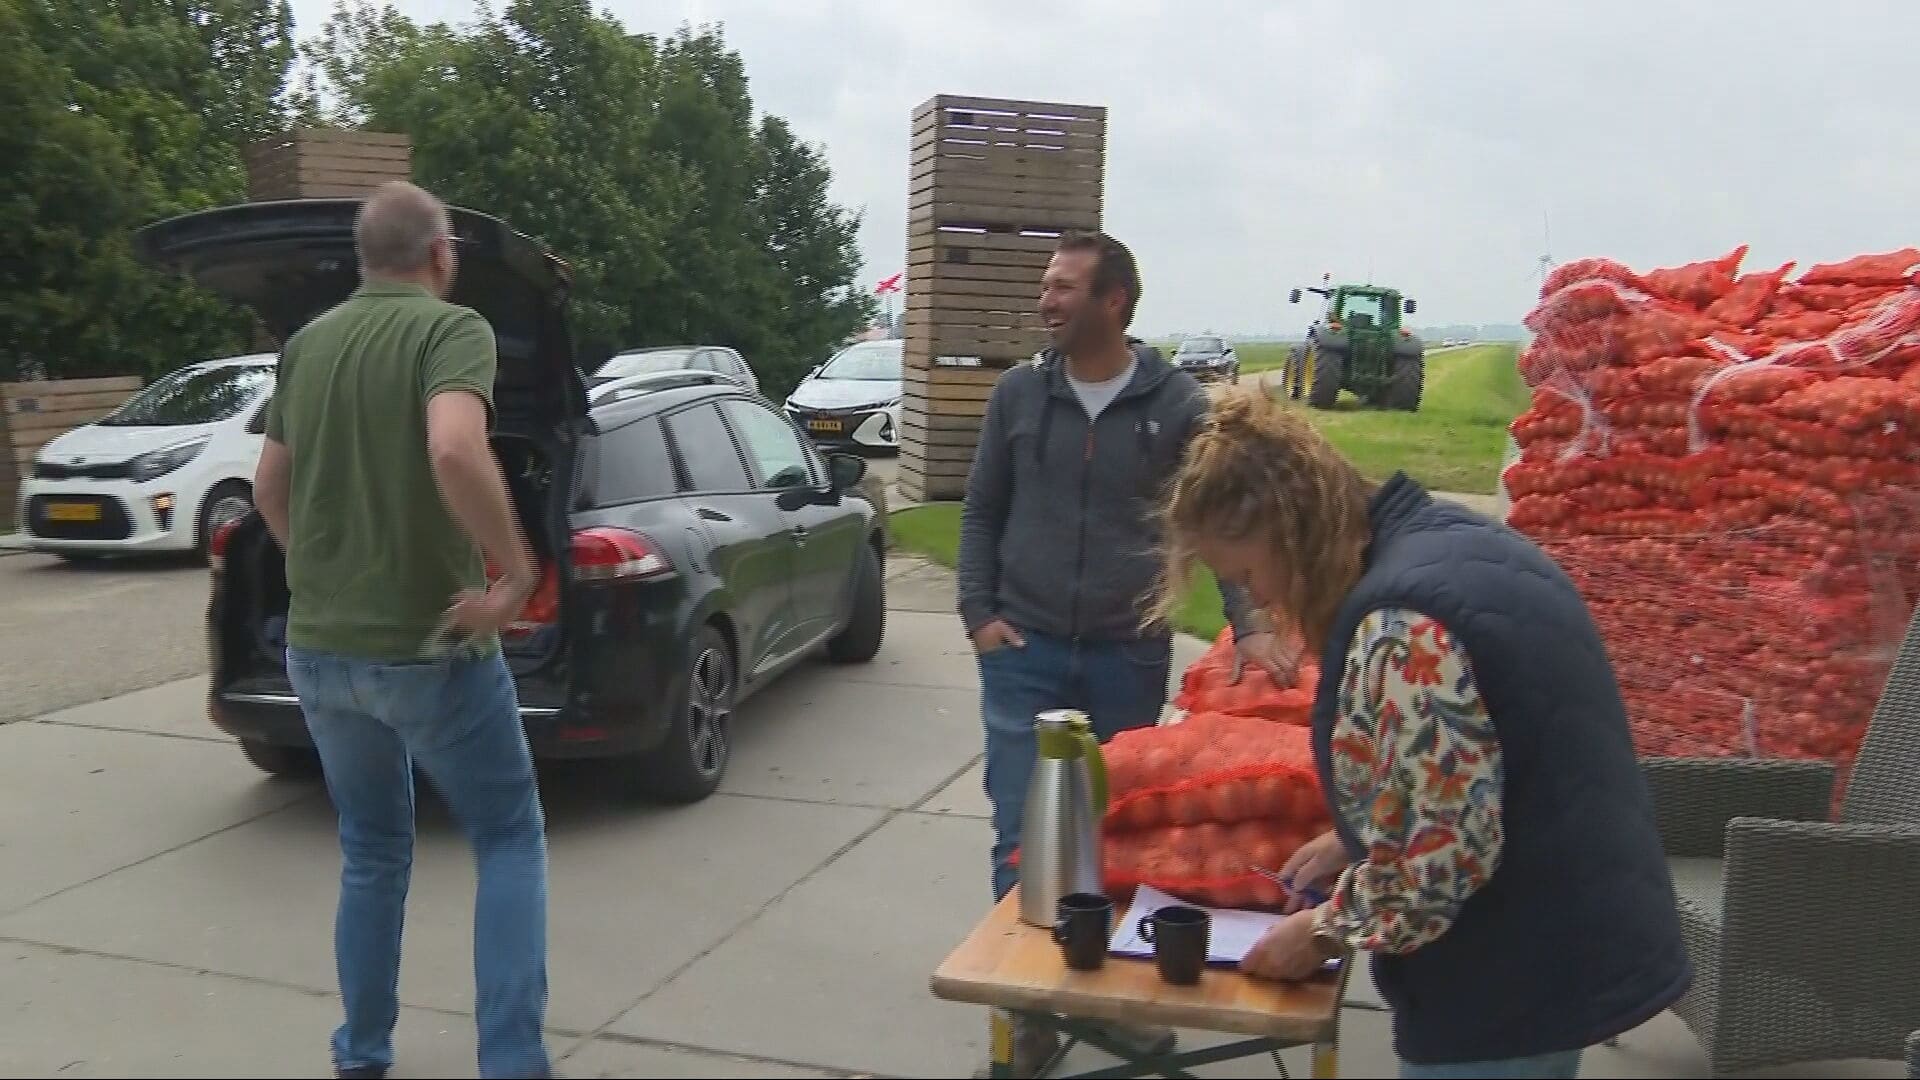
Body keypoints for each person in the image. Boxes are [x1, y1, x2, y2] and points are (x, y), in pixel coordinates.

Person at [1149, 386, 1690, 1079]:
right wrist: (1357, 838)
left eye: (1250, 576)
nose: (1260, 601)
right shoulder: (1446, 542)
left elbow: (1438, 865)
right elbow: (1483, 763)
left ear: (1291, 529)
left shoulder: (1402, 626)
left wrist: (1321, 932)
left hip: (1507, 985)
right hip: (1560, 946)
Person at [955, 232, 1292, 1073]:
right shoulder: (1017, 395)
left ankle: (1117, 999)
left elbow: (1215, 519)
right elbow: (980, 510)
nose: (1047, 299)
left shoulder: (1176, 406)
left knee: (1124, 833)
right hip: (1023, 650)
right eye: (1047, 285)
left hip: (1125, 654)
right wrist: (977, 615)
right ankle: (1029, 1009)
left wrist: (1249, 622)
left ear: (1114, 302)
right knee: (1019, 834)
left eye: (1065, 286)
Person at [253, 181, 553, 1080]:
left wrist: (322, 569)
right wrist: (517, 572)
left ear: (361, 258)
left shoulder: (308, 346)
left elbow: (269, 487)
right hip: (430, 651)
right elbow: (456, 448)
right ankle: (510, 1062)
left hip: (320, 653)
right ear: (441, 254)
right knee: (507, 835)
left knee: (373, 851)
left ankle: (361, 1054)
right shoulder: (448, 330)